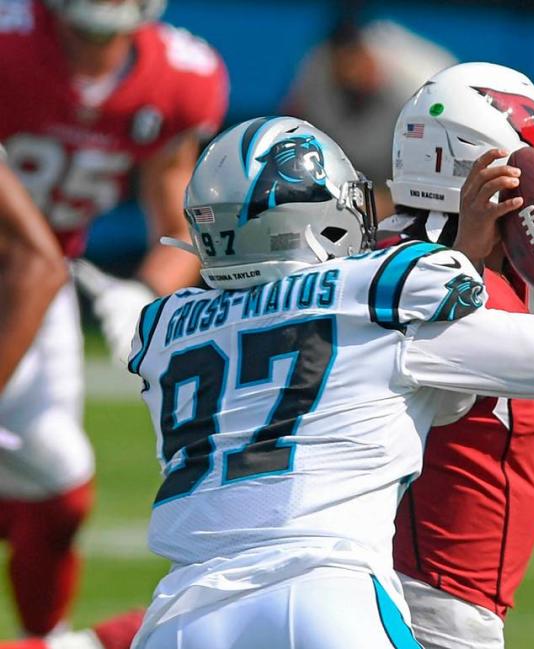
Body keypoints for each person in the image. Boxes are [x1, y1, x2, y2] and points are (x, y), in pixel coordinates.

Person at [127, 114, 534, 648]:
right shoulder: (375, 290)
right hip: (322, 596)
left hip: (178, 616)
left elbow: (327, 400)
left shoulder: (166, 328)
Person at [0, 0, 228, 638]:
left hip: (36, 284)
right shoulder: (10, 43)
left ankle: (44, 638)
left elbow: (178, 228)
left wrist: (142, 294)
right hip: (31, 270)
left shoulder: (180, 77)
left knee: (59, 479)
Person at [384, 63, 534, 649]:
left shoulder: (389, 260)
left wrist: (509, 404)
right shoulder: (466, 291)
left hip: (398, 584)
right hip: (432, 601)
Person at [284, 14, 456, 215]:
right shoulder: (315, 73)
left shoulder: (422, 88)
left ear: (369, 54)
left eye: (357, 61)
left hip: (414, 197)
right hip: (345, 186)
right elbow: (289, 131)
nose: (352, 73)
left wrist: (389, 202)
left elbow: (443, 180)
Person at [0, 147, 69, 394]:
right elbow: (43, 263)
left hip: (26, 286)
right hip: (27, 282)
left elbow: (44, 265)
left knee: (51, 428)